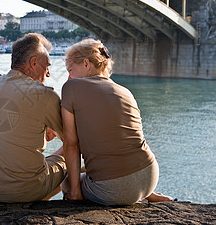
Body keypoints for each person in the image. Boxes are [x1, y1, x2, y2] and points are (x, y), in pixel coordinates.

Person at [61, 39, 174, 205]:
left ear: (86, 64)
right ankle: (148, 195)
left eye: (71, 69)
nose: (69, 76)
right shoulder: (124, 91)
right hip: (149, 176)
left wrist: (75, 193)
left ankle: (81, 191)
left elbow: (71, 144)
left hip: (112, 190)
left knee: (66, 179)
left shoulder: (71, 87)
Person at [0, 33, 66, 203]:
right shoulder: (45, 95)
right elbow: (71, 139)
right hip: (21, 190)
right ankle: (58, 199)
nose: (48, 74)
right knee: (69, 155)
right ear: (34, 63)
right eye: (47, 66)